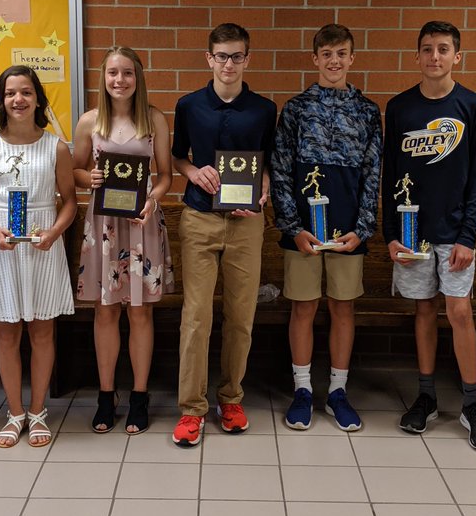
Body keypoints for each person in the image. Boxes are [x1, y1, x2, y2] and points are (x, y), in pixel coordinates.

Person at [385, 21, 476, 451]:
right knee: (424, 310)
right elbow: (391, 175)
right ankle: (427, 396)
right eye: (428, 48)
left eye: (444, 49)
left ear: (457, 56)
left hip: (455, 233)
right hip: (412, 232)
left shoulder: (473, 106)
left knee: (460, 311)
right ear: (416, 56)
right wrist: (391, 233)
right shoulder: (399, 108)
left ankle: (472, 404)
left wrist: (469, 237)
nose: (435, 56)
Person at [171, 23, 277, 448]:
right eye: (221, 56)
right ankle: (191, 408)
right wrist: (193, 172)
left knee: (241, 315)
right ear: (209, 59)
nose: (228, 64)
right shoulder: (189, 105)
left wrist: (264, 187)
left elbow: (267, 163)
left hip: (247, 222)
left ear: (247, 59)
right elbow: (177, 158)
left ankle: (231, 399)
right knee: (196, 315)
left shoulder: (264, 109)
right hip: (200, 218)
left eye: (236, 56)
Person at [270, 24, 381, 432]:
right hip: (303, 231)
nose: (335, 61)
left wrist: (363, 228)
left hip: (347, 229)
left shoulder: (367, 111)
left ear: (353, 58)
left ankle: (337, 391)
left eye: (342, 53)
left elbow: (373, 173)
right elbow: (280, 170)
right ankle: (302, 389)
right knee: (303, 307)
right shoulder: (296, 109)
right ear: (315, 58)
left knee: (342, 307)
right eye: (327, 54)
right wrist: (292, 226)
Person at [0, 65, 77, 448]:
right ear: (1, 100)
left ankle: (38, 410)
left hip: (43, 244)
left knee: (43, 331)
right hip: (4, 246)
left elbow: (70, 202)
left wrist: (55, 232)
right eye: (11, 93)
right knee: (7, 332)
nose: (19, 99)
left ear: (37, 99)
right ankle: (15, 413)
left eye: (26, 92)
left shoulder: (55, 147)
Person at [73, 47, 174, 435]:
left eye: (127, 73)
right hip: (104, 227)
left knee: (140, 312)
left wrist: (153, 200)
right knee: (105, 311)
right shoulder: (89, 121)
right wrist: (89, 178)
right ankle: (105, 395)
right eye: (113, 73)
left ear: (138, 77)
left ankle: (140, 396)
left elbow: (165, 176)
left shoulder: (154, 119)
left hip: (141, 222)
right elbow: (76, 170)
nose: (120, 80)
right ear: (103, 77)